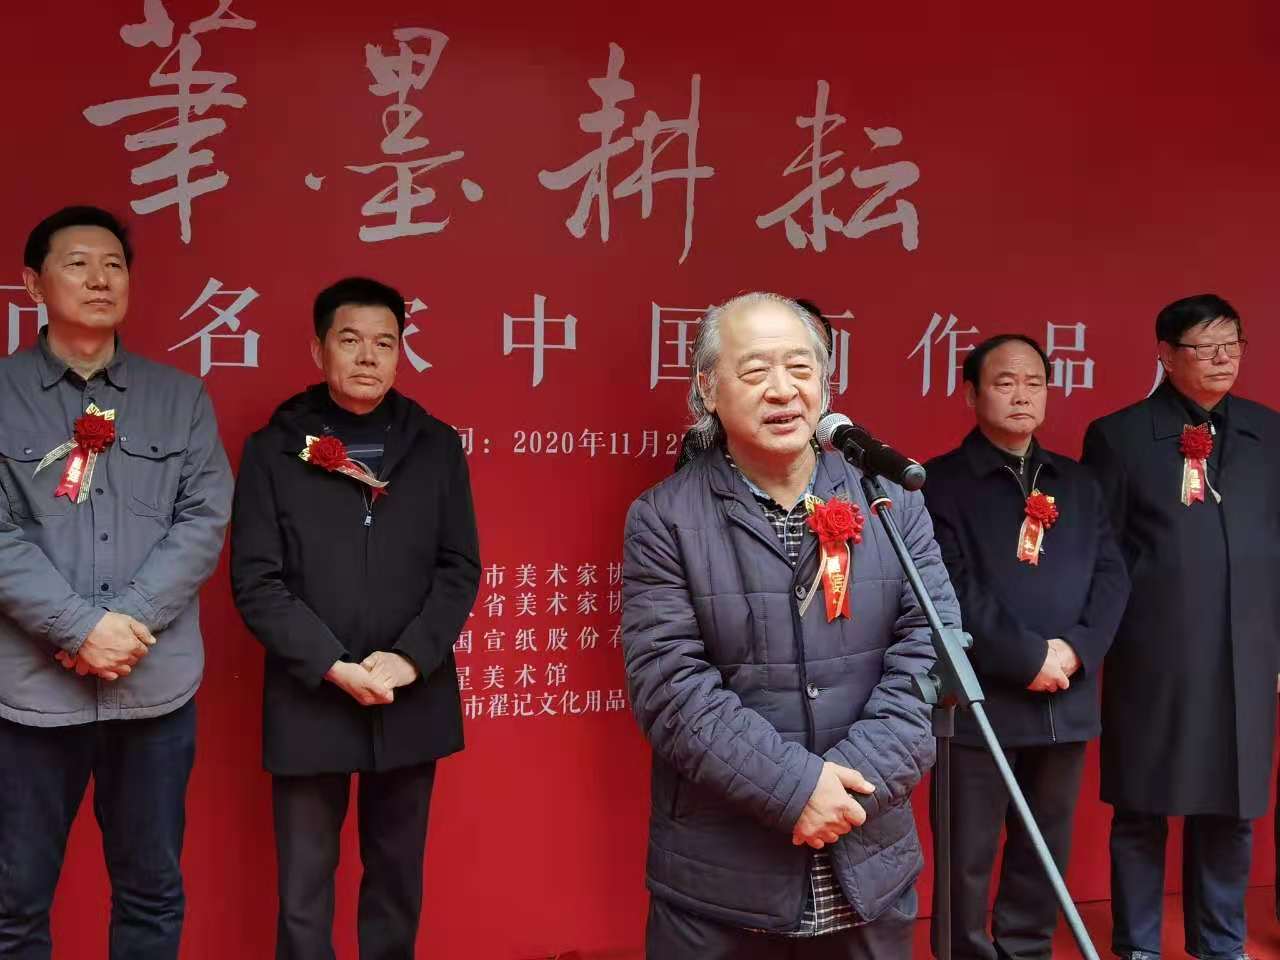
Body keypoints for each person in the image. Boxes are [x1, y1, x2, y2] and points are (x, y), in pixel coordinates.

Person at [622, 291, 959, 958]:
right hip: (723, 881)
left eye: (801, 368)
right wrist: (797, 790)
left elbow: (933, 650)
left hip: (868, 859)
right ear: (707, 389)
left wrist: (850, 784)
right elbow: (672, 689)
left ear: (826, 383)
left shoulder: (888, 498)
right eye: (755, 371)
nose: (783, 389)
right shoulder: (664, 518)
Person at [0, 205, 233, 959]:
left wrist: (121, 625)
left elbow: (203, 519)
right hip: (29, 696)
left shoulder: (180, 398)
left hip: (153, 688)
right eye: (77, 263)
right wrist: (78, 628)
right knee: (12, 904)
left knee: (151, 896)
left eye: (114, 264)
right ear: (34, 283)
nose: (100, 279)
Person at [230, 276, 480, 959]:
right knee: (304, 890)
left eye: (385, 342)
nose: (368, 356)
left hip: (410, 693)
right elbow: (256, 581)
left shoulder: (435, 445)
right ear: (318, 350)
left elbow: (459, 566)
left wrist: (410, 658)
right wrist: (331, 664)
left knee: (396, 881)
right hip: (311, 693)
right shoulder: (273, 449)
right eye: (350, 340)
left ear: (400, 352)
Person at [1082, 294, 1279, 960]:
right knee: (1142, 804)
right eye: (1205, 347)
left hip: (1247, 653)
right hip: (1155, 655)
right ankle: (1139, 945)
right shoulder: (1120, 436)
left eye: (1232, 344)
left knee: (1232, 803)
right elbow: (1100, 551)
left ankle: (1220, 943)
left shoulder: (1268, 432)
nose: (1223, 359)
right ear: (1166, 355)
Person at [923, 334, 1128, 960]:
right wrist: (1027, 658)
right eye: (1005, 382)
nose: (1022, 395)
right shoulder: (938, 483)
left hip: (1066, 695)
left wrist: (1076, 652)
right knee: (967, 854)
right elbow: (949, 586)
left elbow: (1112, 575)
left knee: (1046, 849)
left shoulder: (1079, 482)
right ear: (971, 393)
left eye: (1034, 383)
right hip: (979, 703)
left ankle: (1027, 949)